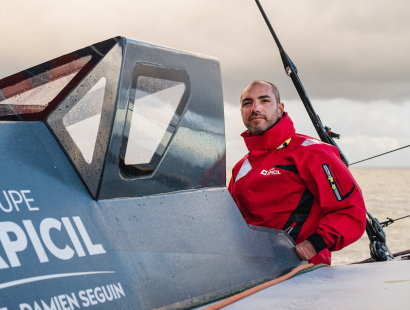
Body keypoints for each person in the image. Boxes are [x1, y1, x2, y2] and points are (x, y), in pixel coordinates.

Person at [228, 80, 366, 265]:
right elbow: (230, 221)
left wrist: (312, 246)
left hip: (302, 272)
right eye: (247, 103)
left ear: (280, 108)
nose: (255, 108)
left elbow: (351, 211)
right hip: (252, 273)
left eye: (264, 100)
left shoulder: (311, 152)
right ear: (242, 111)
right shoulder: (241, 168)